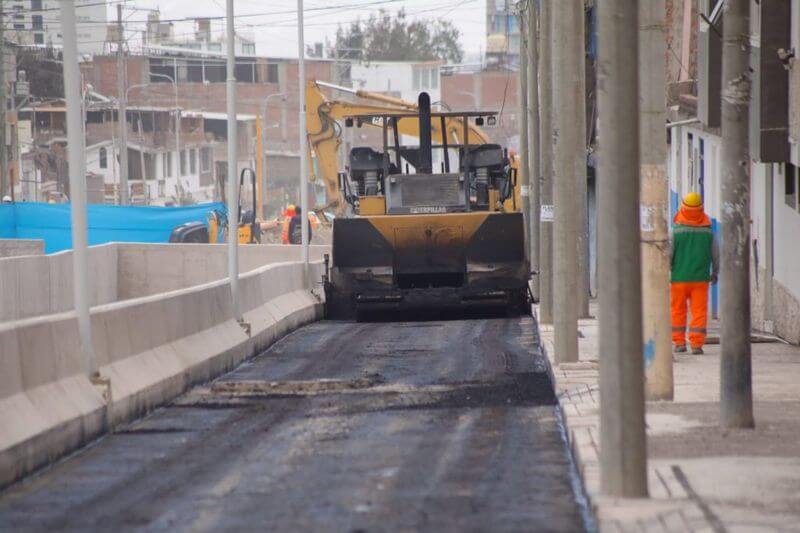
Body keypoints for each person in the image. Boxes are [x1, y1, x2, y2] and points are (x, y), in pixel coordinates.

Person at [671, 191, 719, 355]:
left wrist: (668, 272)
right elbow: (715, 256)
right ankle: (697, 345)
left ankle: (679, 343)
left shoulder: (675, 232)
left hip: (678, 279)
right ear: (701, 209)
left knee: (678, 310)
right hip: (700, 279)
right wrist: (715, 272)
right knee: (699, 312)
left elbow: (669, 255)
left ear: (683, 208)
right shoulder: (708, 233)